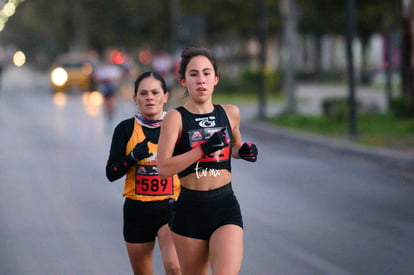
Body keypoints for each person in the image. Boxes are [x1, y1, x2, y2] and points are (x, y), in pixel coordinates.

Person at [157, 47, 258, 275]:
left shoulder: (230, 113)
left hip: (224, 206)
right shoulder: (175, 118)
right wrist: (201, 150)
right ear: (183, 80)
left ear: (216, 79)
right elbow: (163, 168)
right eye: (193, 74)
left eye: (206, 73)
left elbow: (234, 146)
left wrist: (244, 151)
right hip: (190, 210)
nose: (201, 80)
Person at [105, 71, 181, 275]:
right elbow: (111, 173)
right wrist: (131, 158)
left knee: (174, 266)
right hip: (137, 212)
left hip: (171, 208)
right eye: (144, 93)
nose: (150, 98)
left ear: (165, 96)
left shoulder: (177, 127)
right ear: (135, 99)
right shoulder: (125, 129)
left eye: (155, 92)